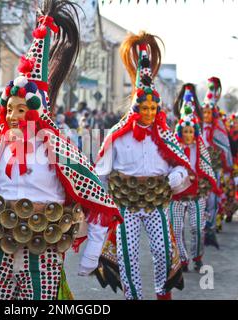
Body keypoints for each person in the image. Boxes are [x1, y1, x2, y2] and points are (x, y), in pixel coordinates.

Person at [0, 0, 121, 300]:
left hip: (45, 246)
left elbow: (94, 196)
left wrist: (93, 248)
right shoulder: (0, 144)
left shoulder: (57, 146)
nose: (13, 116)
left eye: (21, 109)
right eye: (9, 109)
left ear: (36, 111)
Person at [79, 32, 197, 300]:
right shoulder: (118, 135)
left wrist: (175, 177)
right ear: (135, 108)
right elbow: (102, 171)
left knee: (163, 251)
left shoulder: (164, 135)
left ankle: (161, 293)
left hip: (156, 202)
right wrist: (103, 202)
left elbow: (181, 165)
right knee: (127, 254)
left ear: (157, 109)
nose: (148, 113)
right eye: (143, 107)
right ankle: (133, 297)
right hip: (126, 205)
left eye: (152, 108)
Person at [170, 84, 219, 272]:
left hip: (197, 195)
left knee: (197, 229)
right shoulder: (173, 148)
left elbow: (207, 168)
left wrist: (208, 184)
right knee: (176, 229)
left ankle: (197, 256)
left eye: (191, 132)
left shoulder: (201, 149)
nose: (188, 135)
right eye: (185, 131)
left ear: (195, 133)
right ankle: (182, 259)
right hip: (177, 196)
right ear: (181, 131)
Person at [201, 77, 233, 248]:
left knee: (212, 200)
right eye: (203, 112)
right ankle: (201, 228)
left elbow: (225, 148)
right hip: (199, 172)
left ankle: (210, 229)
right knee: (201, 202)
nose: (205, 116)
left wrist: (227, 168)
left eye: (208, 113)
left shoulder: (218, 131)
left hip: (214, 170)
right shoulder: (195, 128)